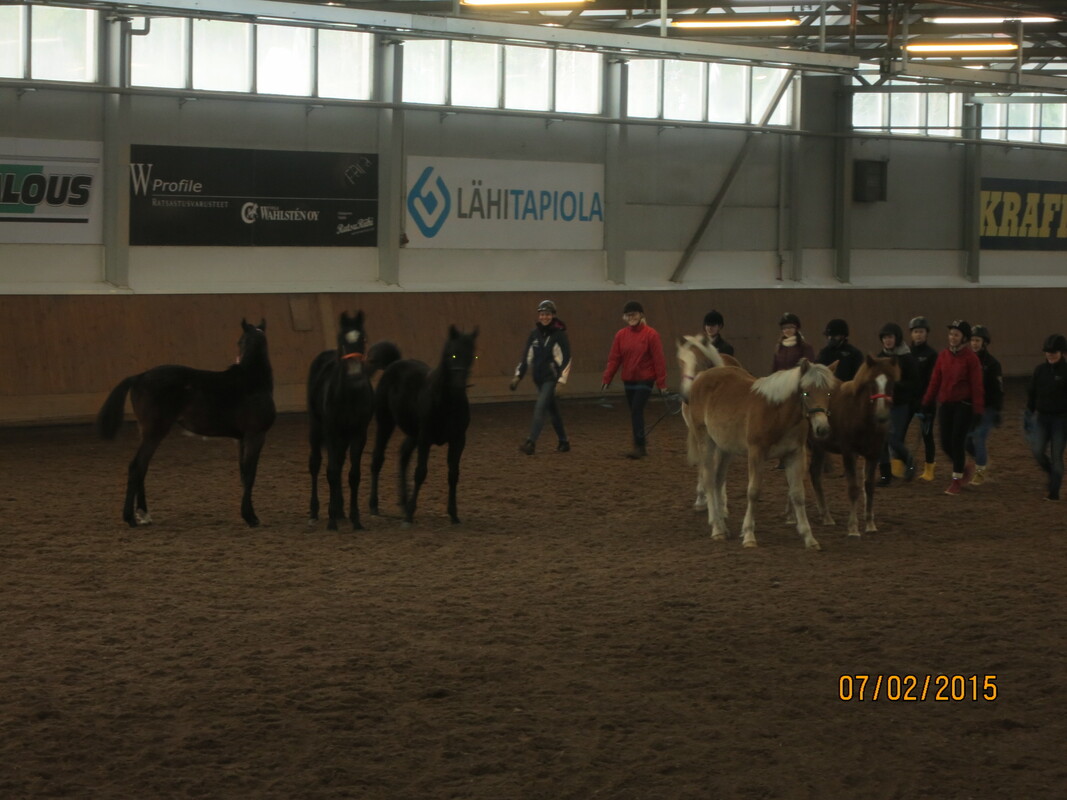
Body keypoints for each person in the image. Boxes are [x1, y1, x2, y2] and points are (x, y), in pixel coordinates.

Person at [920, 320, 984, 496]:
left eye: (956, 335)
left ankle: (956, 480)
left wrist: (978, 410)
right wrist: (926, 401)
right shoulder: (943, 356)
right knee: (945, 443)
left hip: (964, 405)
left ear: (964, 338)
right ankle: (962, 468)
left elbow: (977, 385)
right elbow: (935, 381)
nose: (952, 337)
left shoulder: (971, 358)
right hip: (946, 404)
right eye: (951, 334)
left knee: (957, 441)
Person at [602, 300, 668, 459]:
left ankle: (639, 446)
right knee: (634, 412)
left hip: (645, 379)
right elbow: (614, 359)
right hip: (629, 380)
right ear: (625, 317)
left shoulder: (651, 334)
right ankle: (641, 443)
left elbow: (659, 360)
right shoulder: (620, 335)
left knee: (637, 410)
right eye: (629, 315)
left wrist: (661, 383)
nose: (631, 317)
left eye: (634, 314)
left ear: (641, 315)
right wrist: (607, 377)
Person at [510, 300, 571, 456]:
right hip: (538, 378)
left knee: (540, 407)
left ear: (553, 315)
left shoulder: (559, 335)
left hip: (551, 378)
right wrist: (518, 375)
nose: (545, 317)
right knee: (553, 410)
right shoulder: (534, 335)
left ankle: (531, 442)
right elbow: (526, 357)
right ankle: (564, 441)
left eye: (548, 314)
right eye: (542, 314)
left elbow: (566, 358)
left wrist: (562, 380)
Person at [875, 322, 919, 486]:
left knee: (893, 438)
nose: (887, 340)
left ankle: (909, 461)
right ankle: (885, 475)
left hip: (900, 404)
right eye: (885, 338)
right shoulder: (880, 357)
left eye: (890, 337)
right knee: (881, 439)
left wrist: (894, 386)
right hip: (882, 403)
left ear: (897, 338)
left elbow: (914, 383)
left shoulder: (907, 358)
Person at [1026, 334, 1067, 501]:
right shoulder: (1040, 370)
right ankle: (1053, 474)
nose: (1050, 354)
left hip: (1061, 420)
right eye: (1048, 351)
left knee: (1056, 455)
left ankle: (1054, 491)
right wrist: (1029, 412)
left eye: (1054, 352)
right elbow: (1032, 393)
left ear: (1062, 352)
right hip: (1042, 418)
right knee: (1037, 451)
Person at [964, 325, 1003, 486]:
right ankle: (982, 460)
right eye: (972, 340)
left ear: (984, 342)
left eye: (977, 340)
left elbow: (998, 390)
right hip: (970, 407)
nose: (974, 343)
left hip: (987, 407)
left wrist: (997, 410)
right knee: (966, 440)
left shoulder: (993, 364)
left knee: (979, 437)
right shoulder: (965, 360)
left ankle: (980, 471)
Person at [908, 316, 939, 481]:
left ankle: (929, 468)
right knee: (900, 433)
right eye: (915, 332)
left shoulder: (931, 354)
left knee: (927, 436)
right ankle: (900, 464)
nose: (918, 335)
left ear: (926, 334)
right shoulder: (906, 353)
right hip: (909, 401)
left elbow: (932, 381)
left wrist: (926, 402)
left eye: (921, 332)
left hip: (926, 401)